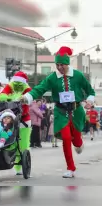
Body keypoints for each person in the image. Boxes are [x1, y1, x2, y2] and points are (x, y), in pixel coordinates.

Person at [21, 46, 95, 178]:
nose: (60, 67)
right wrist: (28, 96)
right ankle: (70, 168)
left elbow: (90, 90)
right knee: (66, 138)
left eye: (62, 65)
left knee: (76, 141)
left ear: (67, 64)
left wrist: (90, 100)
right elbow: (40, 88)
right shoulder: (52, 77)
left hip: (76, 111)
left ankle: (79, 142)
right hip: (61, 112)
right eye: (57, 65)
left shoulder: (78, 75)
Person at [0, 71, 32, 175]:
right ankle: (8, 160)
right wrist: (10, 98)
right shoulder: (10, 86)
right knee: (10, 142)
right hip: (10, 119)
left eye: (19, 83)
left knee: (22, 144)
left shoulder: (27, 89)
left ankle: (19, 166)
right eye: (15, 83)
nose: (17, 85)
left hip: (24, 120)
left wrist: (22, 99)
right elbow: (1, 95)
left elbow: (29, 100)